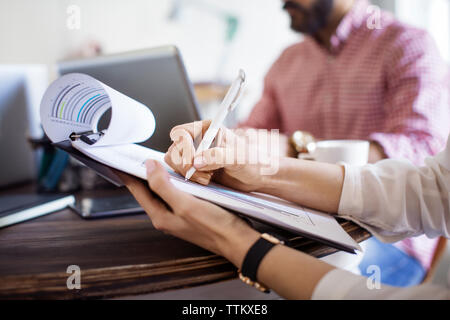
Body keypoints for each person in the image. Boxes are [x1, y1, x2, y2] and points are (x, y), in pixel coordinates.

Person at [239, 0, 450, 285]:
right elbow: (252, 133)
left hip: (391, 239)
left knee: (273, 273)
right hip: (300, 224)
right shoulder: (286, 61)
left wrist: (299, 150)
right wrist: (223, 144)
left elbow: (419, 149)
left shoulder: (407, 44)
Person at [119, 121, 450, 299]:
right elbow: (434, 190)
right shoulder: (290, 59)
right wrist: (259, 172)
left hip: (389, 249)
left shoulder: (408, 47)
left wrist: (233, 240)